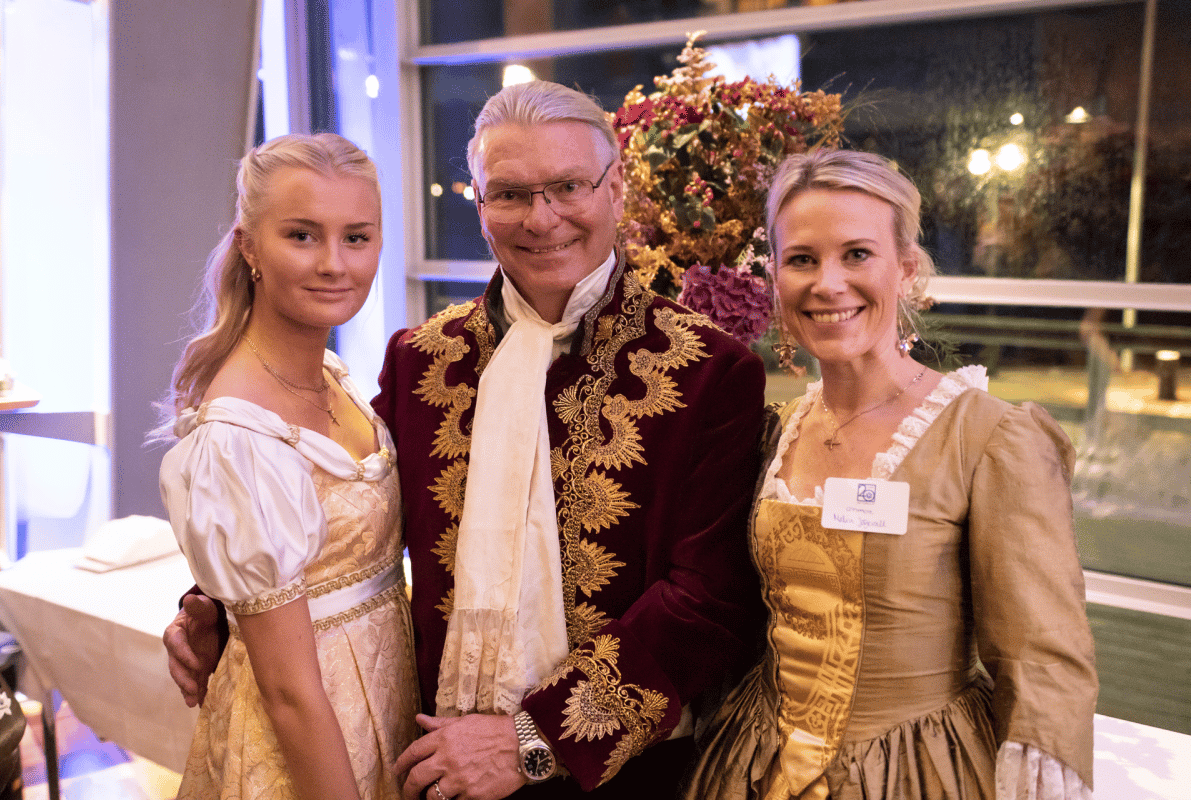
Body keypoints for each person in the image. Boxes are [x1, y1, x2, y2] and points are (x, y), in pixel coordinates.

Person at [165, 82, 766, 800]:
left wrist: (534, 740)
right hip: (426, 760)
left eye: (568, 186)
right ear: (479, 206)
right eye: (510, 193)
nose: (542, 219)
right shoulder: (423, 358)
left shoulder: (710, 369)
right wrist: (210, 601)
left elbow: (710, 602)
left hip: (621, 777)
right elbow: (337, 512)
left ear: (617, 189)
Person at [684, 148, 1098, 800]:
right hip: (756, 762)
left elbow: (1042, 657)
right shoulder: (773, 431)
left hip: (916, 770)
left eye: (856, 254)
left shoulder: (988, 438)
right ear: (775, 278)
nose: (827, 283)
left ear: (905, 270)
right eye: (802, 259)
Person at [158, 133, 418, 800]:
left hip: (385, 700)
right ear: (250, 245)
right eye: (302, 236)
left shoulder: (333, 377)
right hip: (308, 745)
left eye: (356, 237)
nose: (334, 263)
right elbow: (288, 691)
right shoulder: (238, 434)